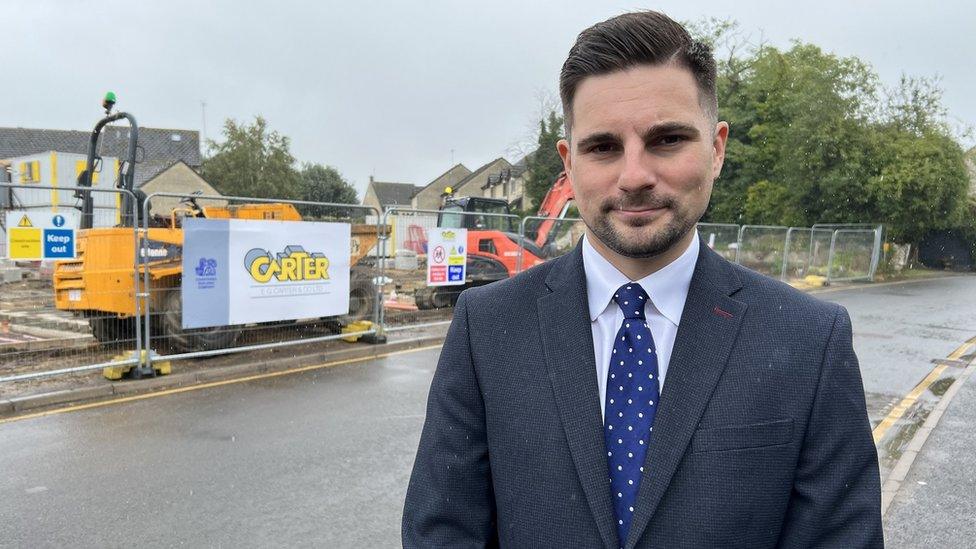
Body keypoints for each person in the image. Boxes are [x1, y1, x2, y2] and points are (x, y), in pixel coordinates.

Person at [402, 10, 882, 548]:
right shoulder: (486, 328)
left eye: (667, 139)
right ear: (570, 162)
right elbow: (443, 533)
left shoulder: (808, 340)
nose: (633, 176)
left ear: (717, 148)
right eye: (603, 147)